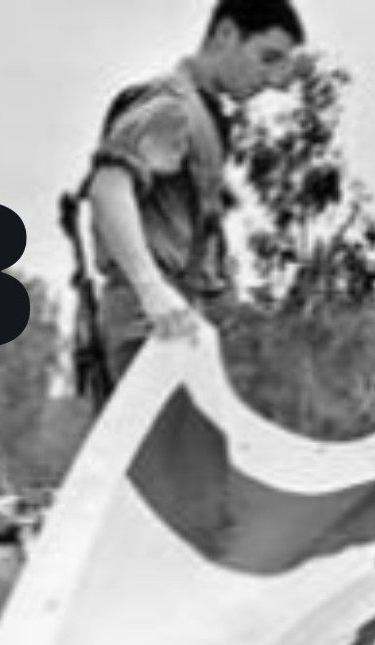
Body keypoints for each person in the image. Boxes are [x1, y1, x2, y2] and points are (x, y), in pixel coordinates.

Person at [77, 0, 306, 406]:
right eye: (265, 58)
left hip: (183, 324)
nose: (269, 78)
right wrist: (153, 290)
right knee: (172, 465)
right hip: (155, 328)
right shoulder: (173, 106)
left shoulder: (204, 113)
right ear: (225, 34)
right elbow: (109, 188)